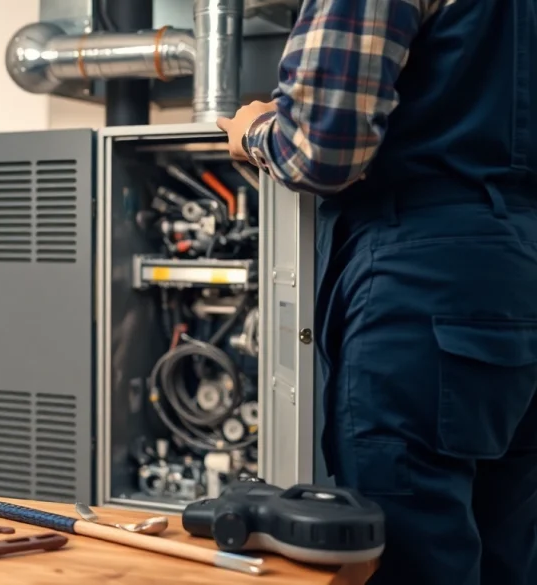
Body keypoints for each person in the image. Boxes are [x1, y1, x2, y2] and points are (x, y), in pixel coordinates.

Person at [216, 1, 537, 583]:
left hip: (425, 269)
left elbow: (323, 149)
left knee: (410, 550)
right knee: (510, 550)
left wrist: (253, 130)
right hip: (521, 264)